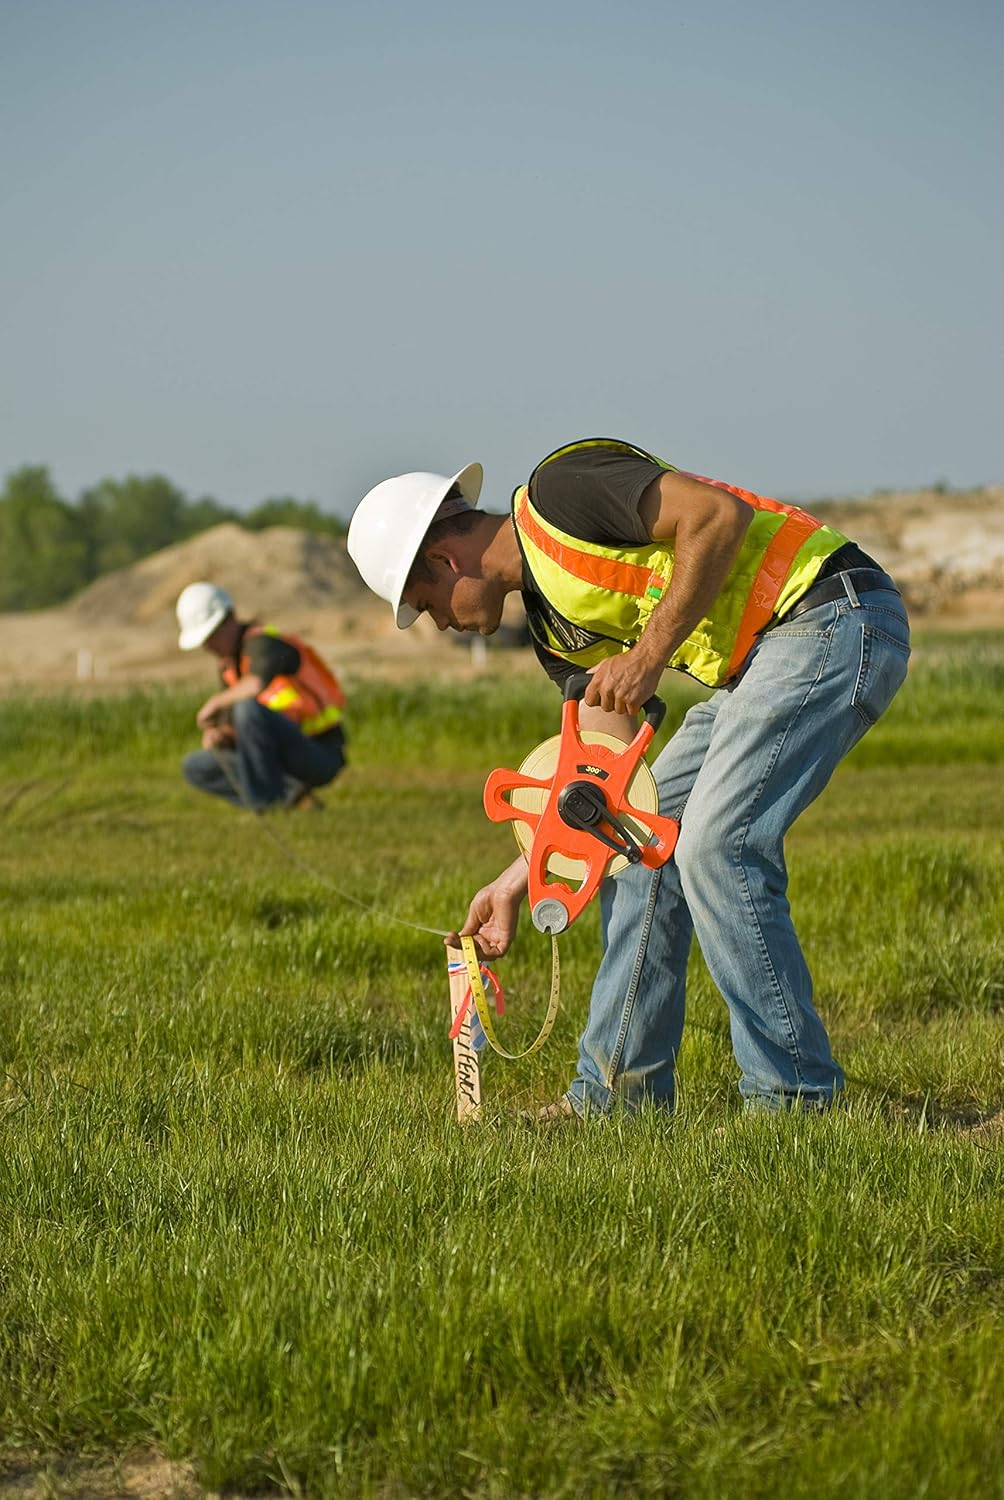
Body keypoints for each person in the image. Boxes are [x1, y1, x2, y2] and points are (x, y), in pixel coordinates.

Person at [347, 439, 911, 1117]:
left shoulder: (563, 492)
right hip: (759, 664)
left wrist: (648, 656)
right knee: (638, 849)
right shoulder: (555, 632)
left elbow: (717, 517)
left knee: (717, 846)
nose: (436, 623)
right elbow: (602, 792)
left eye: (424, 601)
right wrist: (515, 882)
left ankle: (796, 1102)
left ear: (444, 558)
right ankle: (616, 1101)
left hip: (831, 614)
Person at [176, 581, 347, 812]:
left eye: (211, 636)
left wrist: (216, 702)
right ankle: (292, 798)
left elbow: (256, 685)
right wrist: (221, 737)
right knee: (195, 766)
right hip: (275, 758)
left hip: (316, 751)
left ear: (229, 619)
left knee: (248, 709)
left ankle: (265, 804)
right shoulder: (229, 667)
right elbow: (240, 728)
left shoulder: (265, 643)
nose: (208, 647)